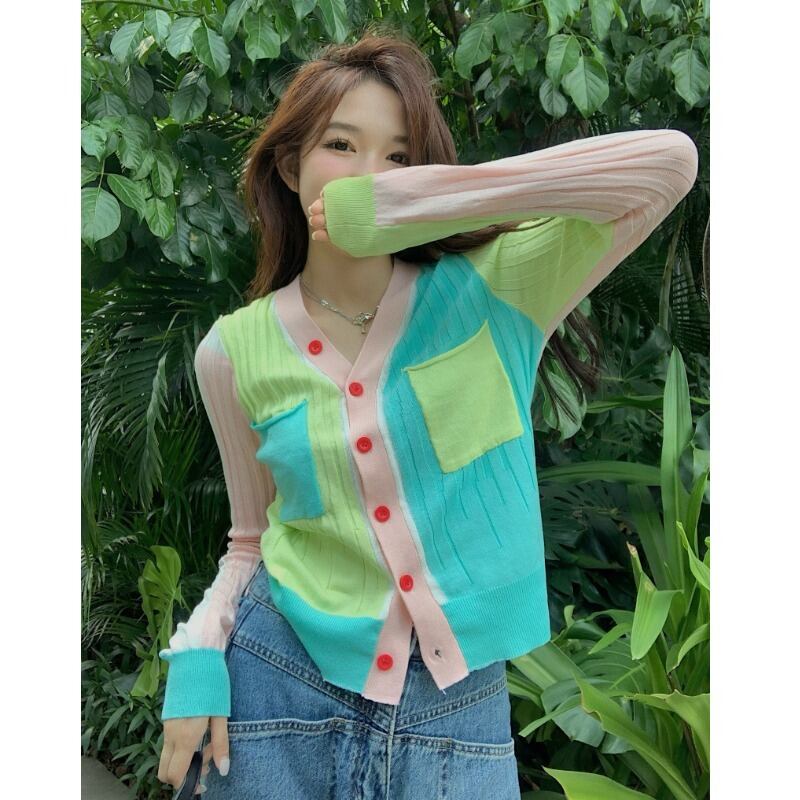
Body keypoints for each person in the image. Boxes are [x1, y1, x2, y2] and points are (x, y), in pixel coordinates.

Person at [157, 25, 699, 799]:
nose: (369, 175)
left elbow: (668, 165)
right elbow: (248, 543)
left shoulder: (498, 291)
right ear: (292, 166)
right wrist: (198, 654)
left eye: (399, 157)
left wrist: (416, 205)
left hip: (458, 717)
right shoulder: (231, 351)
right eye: (341, 146)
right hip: (276, 691)